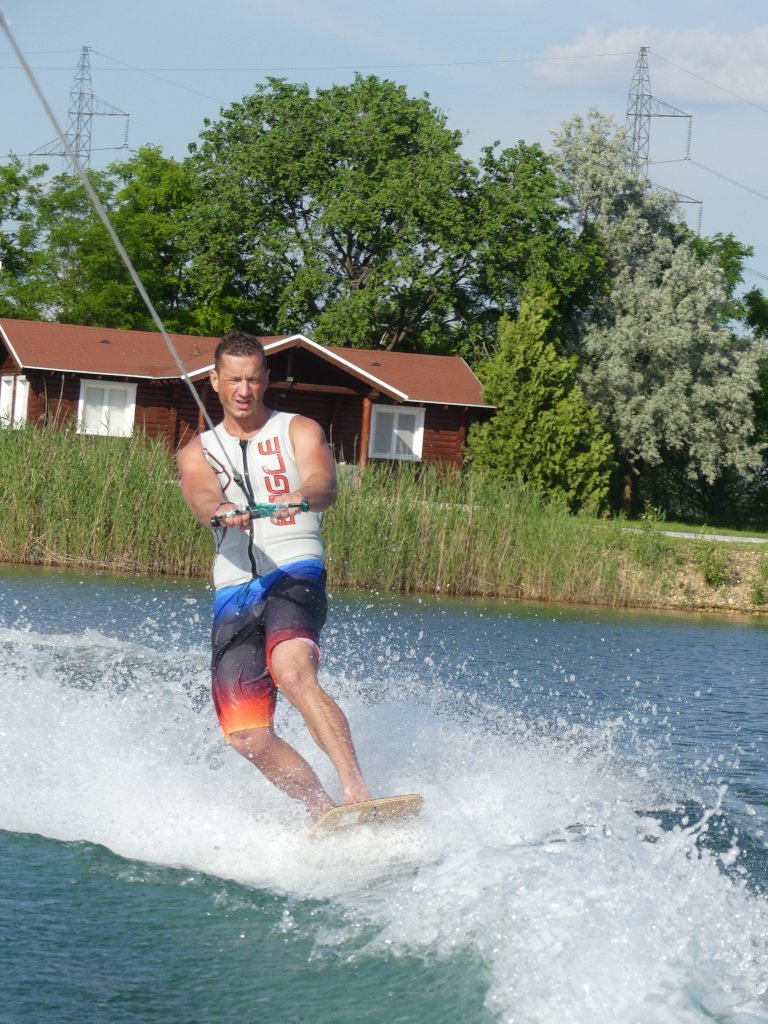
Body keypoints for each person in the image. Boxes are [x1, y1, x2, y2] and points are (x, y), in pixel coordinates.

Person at [177, 328, 372, 820]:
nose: (243, 390)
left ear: (265, 379)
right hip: (234, 587)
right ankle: (322, 811)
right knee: (248, 737)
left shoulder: (299, 429)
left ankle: (357, 791)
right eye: (233, 380)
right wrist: (220, 508)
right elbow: (200, 496)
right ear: (215, 381)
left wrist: (300, 496)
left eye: (252, 379)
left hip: (294, 569)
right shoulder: (197, 450)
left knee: (292, 672)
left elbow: (323, 483)